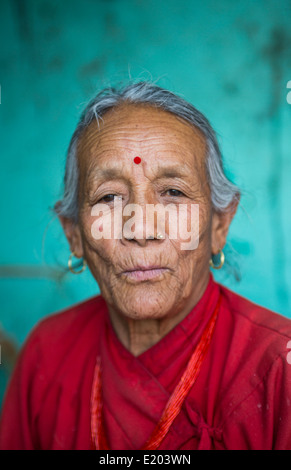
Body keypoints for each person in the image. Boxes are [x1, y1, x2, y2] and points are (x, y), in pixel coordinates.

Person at [0, 82, 290, 450]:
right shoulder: (48, 352)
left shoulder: (279, 368)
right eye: (108, 197)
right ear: (74, 234)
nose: (140, 228)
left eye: (173, 192)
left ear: (219, 224)